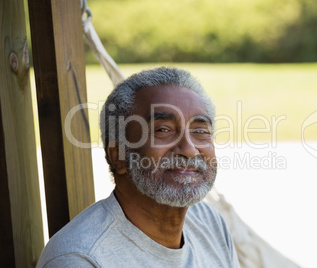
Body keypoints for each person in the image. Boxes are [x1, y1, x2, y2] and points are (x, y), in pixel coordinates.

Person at [37, 67, 240, 267]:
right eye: (163, 130)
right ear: (118, 156)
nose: (189, 150)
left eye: (200, 130)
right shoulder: (81, 259)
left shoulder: (209, 223)